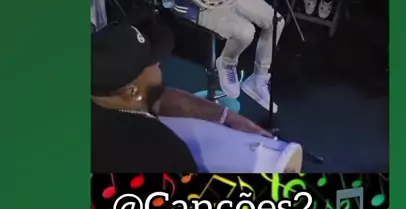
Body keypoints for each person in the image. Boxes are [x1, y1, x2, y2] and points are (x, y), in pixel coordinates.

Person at [92, 23, 285, 173]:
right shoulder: (159, 150)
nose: (159, 62)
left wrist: (229, 118)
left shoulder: (100, 92)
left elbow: (160, 97)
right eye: (152, 63)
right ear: (132, 93)